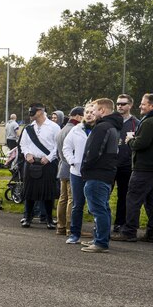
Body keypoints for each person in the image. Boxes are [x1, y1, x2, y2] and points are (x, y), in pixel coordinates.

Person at [114, 93, 153, 243]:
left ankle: (129, 231)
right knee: (151, 200)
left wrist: (130, 140)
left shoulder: (150, 122)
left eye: (143, 104)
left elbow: (140, 144)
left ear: (152, 106)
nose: (140, 106)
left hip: (145, 167)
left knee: (133, 198)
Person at [80, 99, 123, 253]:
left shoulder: (103, 127)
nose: (93, 113)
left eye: (95, 109)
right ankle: (99, 238)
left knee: (98, 209)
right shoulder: (112, 126)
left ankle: (101, 242)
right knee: (103, 207)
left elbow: (94, 152)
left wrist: (85, 167)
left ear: (103, 110)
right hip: (106, 172)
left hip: (98, 173)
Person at [19, 104, 61, 228]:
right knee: (29, 192)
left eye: (33, 111)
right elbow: (23, 144)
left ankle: (48, 219)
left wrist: (48, 158)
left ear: (40, 112)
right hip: (32, 163)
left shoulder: (54, 127)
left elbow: (57, 146)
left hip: (47, 163)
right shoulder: (28, 128)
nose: (30, 114)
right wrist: (27, 154)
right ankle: (27, 218)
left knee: (47, 193)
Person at [63, 103, 93, 245]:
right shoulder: (76, 130)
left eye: (92, 112)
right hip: (76, 172)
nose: (89, 114)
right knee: (77, 204)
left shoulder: (101, 129)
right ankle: (74, 234)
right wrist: (72, 161)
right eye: (86, 112)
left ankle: (98, 235)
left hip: (94, 173)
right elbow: (66, 147)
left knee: (97, 205)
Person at [55, 107, 84, 235]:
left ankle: (60, 226)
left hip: (62, 167)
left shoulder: (62, 130)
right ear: (78, 116)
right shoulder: (75, 130)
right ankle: (70, 228)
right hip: (71, 167)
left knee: (63, 199)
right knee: (72, 199)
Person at [112, 94, 139, 233]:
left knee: (123, 195)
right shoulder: (112, 121)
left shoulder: (136, 123)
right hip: (110, 164)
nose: (120, 106)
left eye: (123, 104)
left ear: (130, 105)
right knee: (104, 194)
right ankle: (100, 222)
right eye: (118, 104)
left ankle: (120, 222)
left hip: (126, 165)